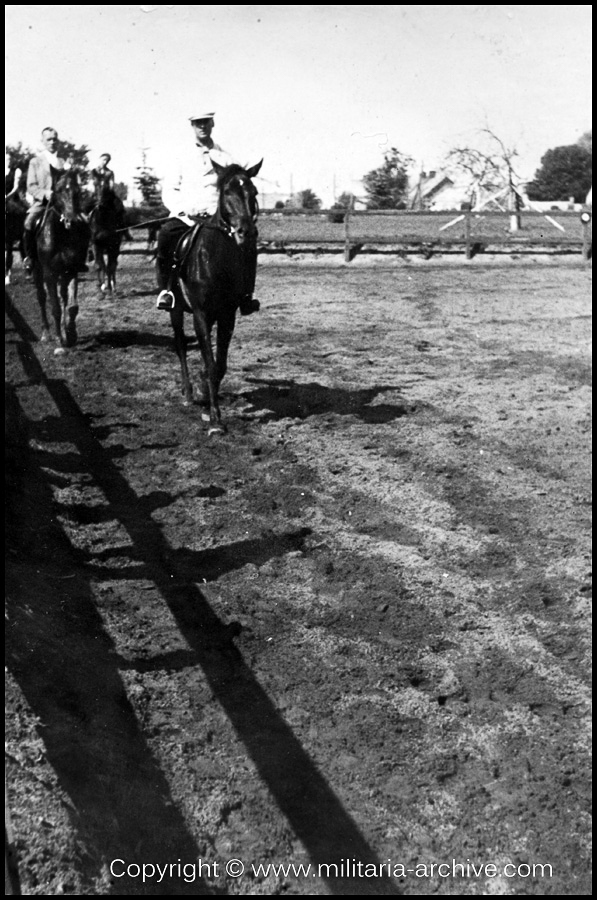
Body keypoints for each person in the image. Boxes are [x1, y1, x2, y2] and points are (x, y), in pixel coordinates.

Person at [155, 110, 260, 315]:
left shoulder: (226, 157)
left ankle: (246, 295)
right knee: (166, 235)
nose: (202, 126)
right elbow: (169, 189)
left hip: (218, 219)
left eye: (205, 122)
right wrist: (182, 210)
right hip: (187, 217)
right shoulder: (180, 156)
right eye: (197, 123)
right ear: (192, 126)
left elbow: (234, 191)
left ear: (212, 124)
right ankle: (167, 291)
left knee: (249, 243)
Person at [22, 126, 88, 274]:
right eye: (49, 139)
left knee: (84, 221)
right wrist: (45, 193)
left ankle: (81, 258)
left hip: (63, 204)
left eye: (54, 139)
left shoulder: (63, 162)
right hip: (43, 204)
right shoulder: (35, 162)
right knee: (29, 222)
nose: (52, 142)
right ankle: (30, 258)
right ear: (42, 141)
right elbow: (31, 186)